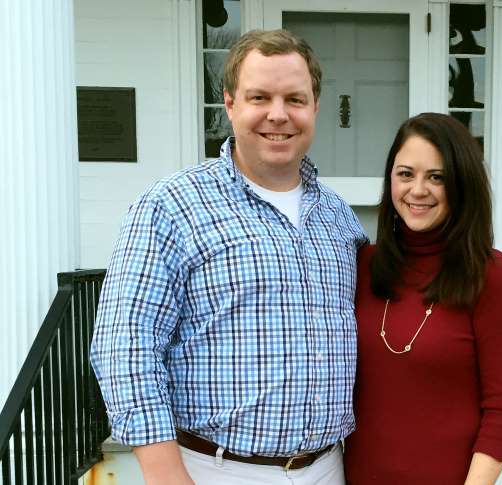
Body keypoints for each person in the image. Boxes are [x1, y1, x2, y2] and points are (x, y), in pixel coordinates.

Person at [90, 29, 367, 485]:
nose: (278, 114)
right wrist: (166, 475)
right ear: (230, 103)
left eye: (294, 99)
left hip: (327, 467)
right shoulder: (172, 206)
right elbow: (127, 346)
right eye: (260, 97)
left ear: (315, 107)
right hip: (214, 469)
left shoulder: (339, 218)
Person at [344, 113, 502, 485]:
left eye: (437, 177)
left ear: (462, 184)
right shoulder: (363, 265)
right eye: (406, 174)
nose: (418, 190)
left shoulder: (492, 276)